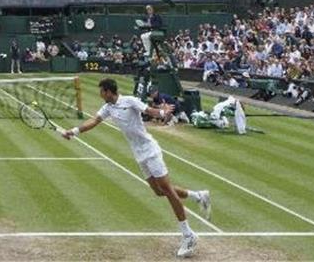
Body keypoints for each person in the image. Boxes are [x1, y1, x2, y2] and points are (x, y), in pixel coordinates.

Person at [62, 78, 210, 258]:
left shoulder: (130, 101)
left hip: (151, 151)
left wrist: (161, 112)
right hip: (139, 154)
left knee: (168, 190)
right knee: (158, 191)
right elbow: (94, 120)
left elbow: (148, 110)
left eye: (102, 91)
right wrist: (74, 131)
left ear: (109, 91)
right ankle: (198, 196)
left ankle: (188, 235)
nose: (100, 95)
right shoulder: (108, 108)